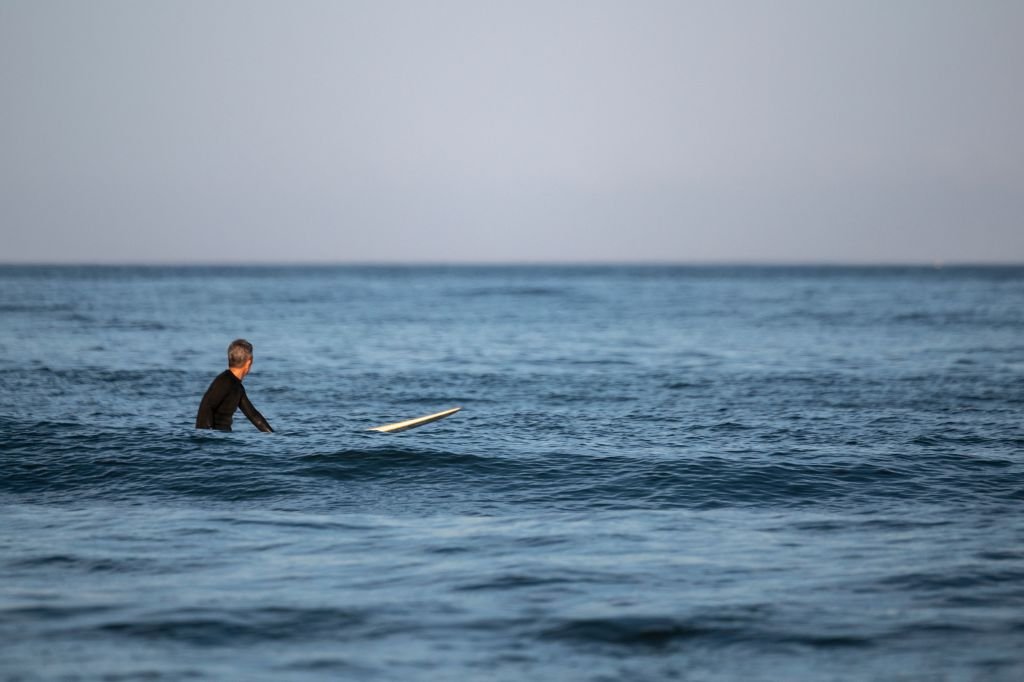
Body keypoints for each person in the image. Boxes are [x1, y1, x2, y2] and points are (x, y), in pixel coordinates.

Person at [196, 339, 273, 432]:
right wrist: (207, 436)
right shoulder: (224, 382)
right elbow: (206, 406)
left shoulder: (236, 386)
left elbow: (254, 416)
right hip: (215, 440)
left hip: (223, 439)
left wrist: (274, 437)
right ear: (249, 362)